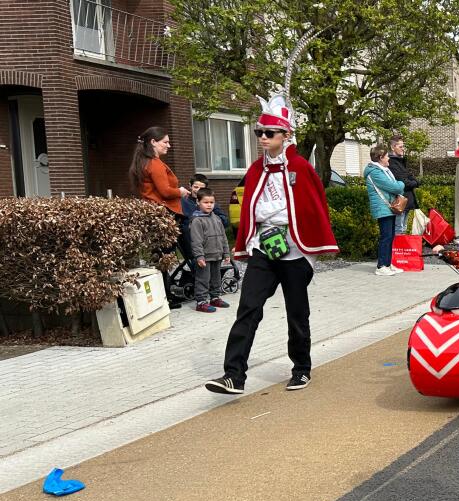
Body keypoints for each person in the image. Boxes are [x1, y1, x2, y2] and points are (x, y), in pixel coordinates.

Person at [204, 92, 338, 396]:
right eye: (259, 133)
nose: (262, 138)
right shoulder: (254, 170)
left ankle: (301, 368)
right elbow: (250, 208)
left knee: (296, 313)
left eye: (269, 133)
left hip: (294, 250)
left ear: (285, 134)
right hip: (264, 248)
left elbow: (315, 207)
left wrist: (309, 246)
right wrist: (250, 241)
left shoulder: (301, 168)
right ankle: (233, 375)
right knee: (248, 308)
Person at [130, 125, 191, 308]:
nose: (169, 145)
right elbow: (165, 191)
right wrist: (180, 191)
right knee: (166, 257)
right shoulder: (155, 164)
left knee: (160, 257)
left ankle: (165, 295)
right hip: (166, 214)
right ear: (153, 142)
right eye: (165, 142)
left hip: (156, 213)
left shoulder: (143, 163)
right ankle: (166, 297)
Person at [364, 146, 406, 276]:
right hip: (383, 208)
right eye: (387, 156)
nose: (389, 158)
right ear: (380, 157)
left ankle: (387, 263)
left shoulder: (383, 170)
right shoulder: (375, 172)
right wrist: (401, 184)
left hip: (388, 207)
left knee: (390, 236)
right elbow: (394, 187)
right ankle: (381, 266)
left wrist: (398, 186)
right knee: (386, 237)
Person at [187, 188, 232, 312]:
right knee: (203, 279)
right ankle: (201, 301)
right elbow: (196, 241)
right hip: (205, 257)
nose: (209, 205)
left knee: (216, 278)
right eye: (205, 202)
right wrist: (199, 256)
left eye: (211, 202)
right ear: (198, 202)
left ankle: (215, 297)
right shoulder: (197, 220)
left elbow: (224, 237)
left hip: (217, 255)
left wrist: (226, 253)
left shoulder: (217, 219)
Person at [387, 135, 421, 235]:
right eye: (400, 147)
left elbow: (410, 177)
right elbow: (404, 182)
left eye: (403, 146)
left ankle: (401, 250)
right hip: (400, 201)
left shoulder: (401, 161)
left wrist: (414, 182)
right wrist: (415, 183)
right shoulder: (392, 163)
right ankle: (397, 250)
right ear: (393, 147)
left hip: (406, 200)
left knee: (403, 228)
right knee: (399, 229)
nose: (403, 149)